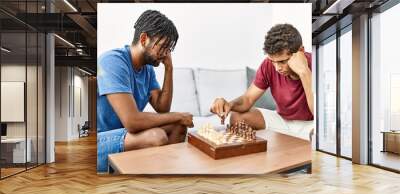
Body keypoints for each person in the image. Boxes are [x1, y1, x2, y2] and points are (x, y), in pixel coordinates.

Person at [97, 10, 193, 172]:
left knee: (179, 125)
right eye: (162, 47)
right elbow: (132, 121)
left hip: (126, 136)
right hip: (101, 141)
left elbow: (162, 108)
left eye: (168, 49)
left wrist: (169, 68)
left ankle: (165, 179)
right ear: (143, 39)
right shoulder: (112, 61)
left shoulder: (147, 69)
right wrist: (179, 115)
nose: (165, 54)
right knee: (156, 136)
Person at [210, 23, 313, 140]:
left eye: (282, 61)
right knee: (237, 117)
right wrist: (229, 104)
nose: (277, 68)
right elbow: (247, 99)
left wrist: (304, 72)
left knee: (321, 135)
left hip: (311, 124)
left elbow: (318, 113)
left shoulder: (317, 62)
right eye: (273, 61)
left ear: (301, 51)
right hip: (282, 120)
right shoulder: (268, 65)